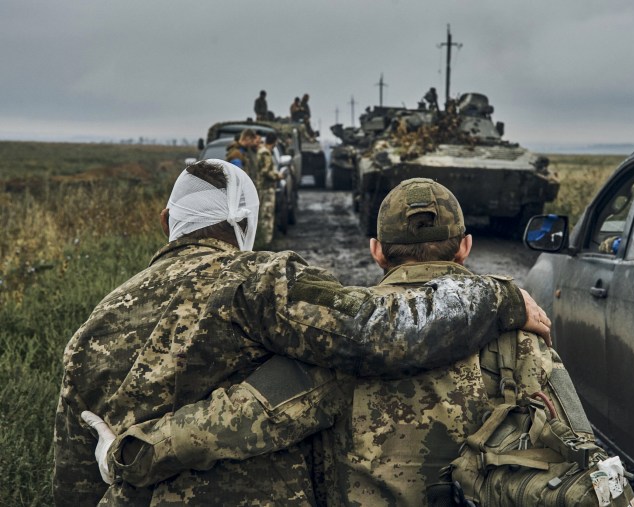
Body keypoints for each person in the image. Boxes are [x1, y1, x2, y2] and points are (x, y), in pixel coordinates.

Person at [53, 163, 550, 506]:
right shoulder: (262, 283)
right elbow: (369, 330)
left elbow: (73, 483)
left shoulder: (87, 334)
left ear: (378, 251)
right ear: (465, 246)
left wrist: (132, 454)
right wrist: (498, 297)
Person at [254, 132, 282, 248]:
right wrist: (277, 176)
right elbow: (265, 171)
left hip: (261, 187)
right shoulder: (265, 152)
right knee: (267, 215)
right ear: (274, 141)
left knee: (263, 214)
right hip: (266, 188)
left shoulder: (261, 151)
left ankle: (263, 241)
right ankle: (266, 243)